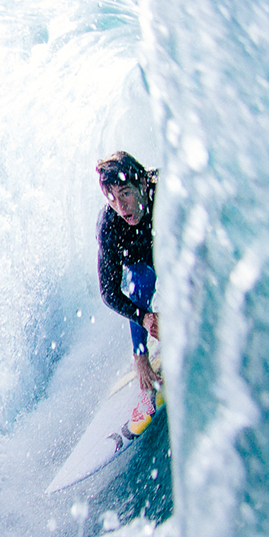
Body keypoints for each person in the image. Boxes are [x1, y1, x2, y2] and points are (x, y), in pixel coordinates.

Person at [95, 151, 160, 391]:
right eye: (112, 198)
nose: (120, 207)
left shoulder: (163, 188)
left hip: (161, 244)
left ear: (142, 183)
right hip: (135, 258)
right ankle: (140, 358)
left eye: (125, 194)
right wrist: (145, 318)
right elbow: (109, 293)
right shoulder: (110, 227)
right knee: (143, 279)